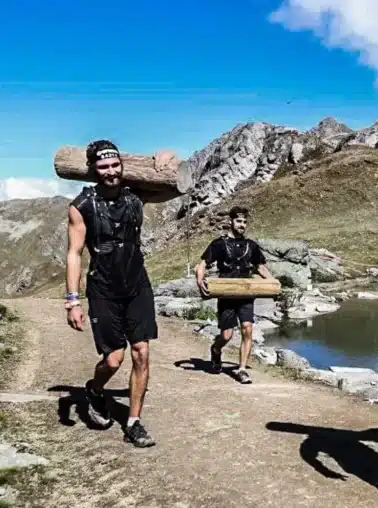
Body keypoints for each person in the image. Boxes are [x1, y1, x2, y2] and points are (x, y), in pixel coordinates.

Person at [65, 139, 179, 448]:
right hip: (103, 288)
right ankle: (94, 389)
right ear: (93, 170)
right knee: (114, 360)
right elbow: (74, 253)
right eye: (104, 166)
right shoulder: (82, 205)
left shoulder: (135, 195)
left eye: (116, 165)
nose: (111, 171)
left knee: (142, 352)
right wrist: (73, 300)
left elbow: (177, 188)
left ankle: (133, 422)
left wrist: (168, 160)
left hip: (137, 285)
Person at [195, 205, 274, 384]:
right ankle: (216, 350)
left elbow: (260, 267)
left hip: (246, 294)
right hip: (227, 294)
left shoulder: (251, 246)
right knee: (226, 335)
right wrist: (200, 280)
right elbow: (203, 264)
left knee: (247, 328)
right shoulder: (219, 244)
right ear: (231, 221)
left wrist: (273, 284)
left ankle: (242, 369)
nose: (242, 225)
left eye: (244, 222)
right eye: (239, 221)